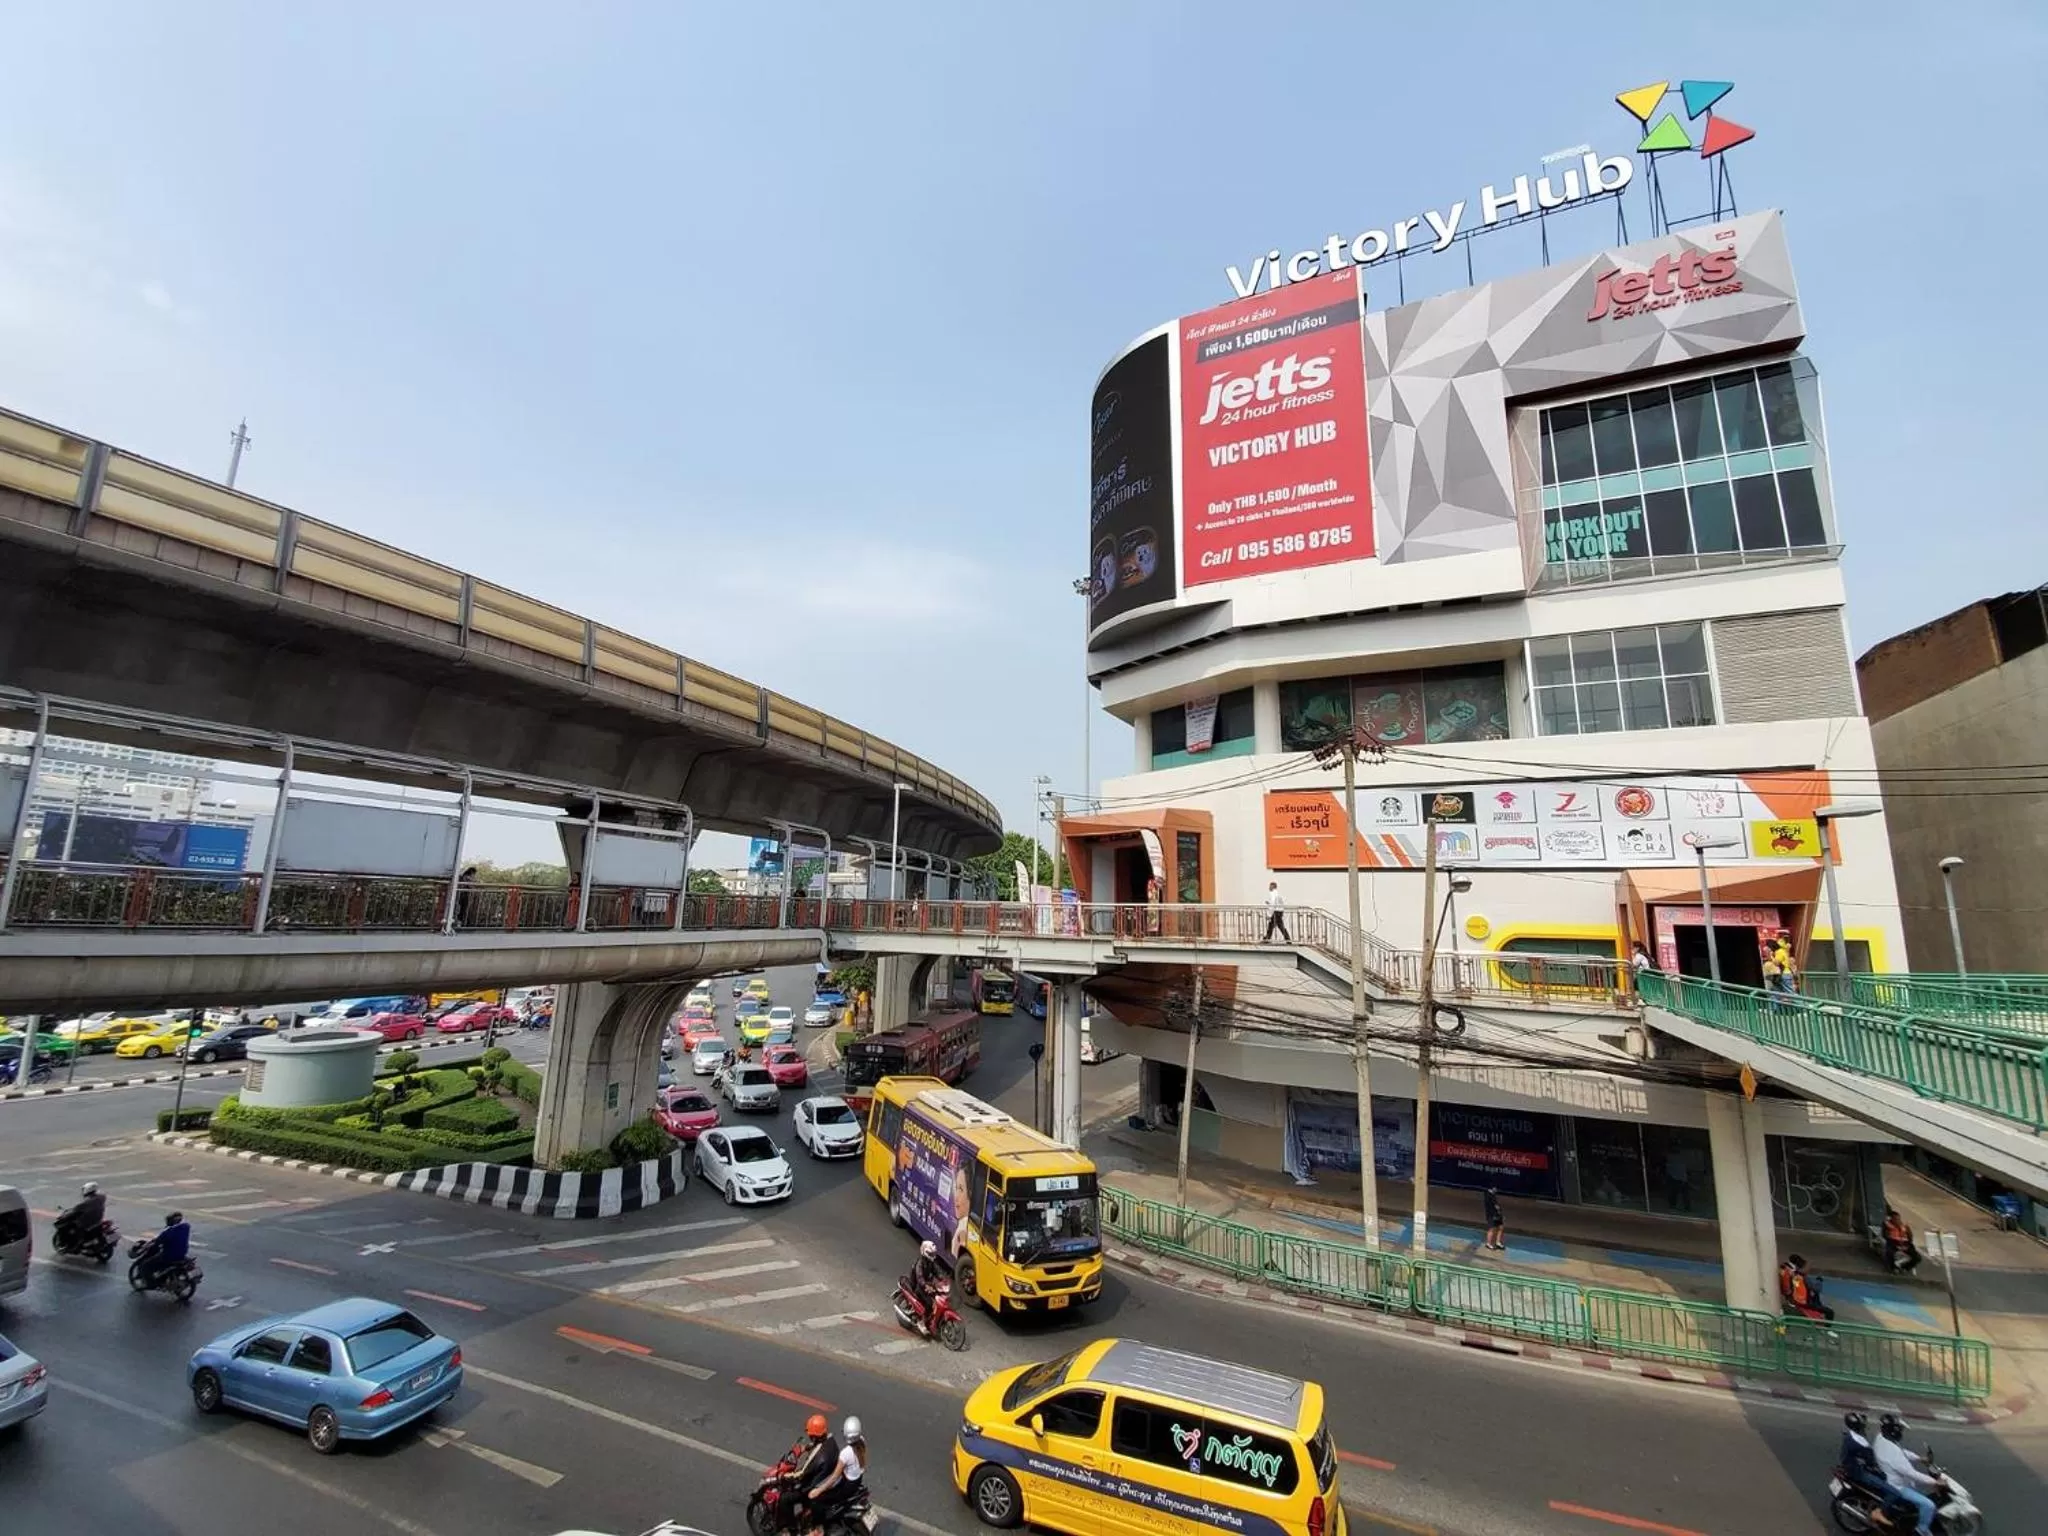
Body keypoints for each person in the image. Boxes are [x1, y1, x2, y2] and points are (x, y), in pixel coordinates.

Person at [1873, 1413, 1941, 1535]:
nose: (1901, 1432)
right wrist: (1935, 1482)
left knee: (1918, 1493)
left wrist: (1919, 1458)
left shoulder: (1882, 1438)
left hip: (1890, 1478)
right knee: (1929, 1505)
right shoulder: (1892, 1452)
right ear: (1894, 1430)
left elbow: (1902, 1452)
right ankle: (1921, 1530)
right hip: (1897, 1486)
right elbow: (1911, 1473)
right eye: (1900, 1429)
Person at [806, 1415, 868, 1534]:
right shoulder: (861, 1441)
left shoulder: (845, 1453)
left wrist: (818, 1491)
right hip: (857, 1481)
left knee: (816, 1501)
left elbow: (834, 1477)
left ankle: (818, 1529)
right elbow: (864, 1461)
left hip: (847, 1487)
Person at [1837, 1413, 1896, 1522]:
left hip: (1847, 1466)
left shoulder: (1849, 1435)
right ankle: (1879, 1512)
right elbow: (1871, 1462)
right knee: (1894, 1492)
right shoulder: (1861, 1443)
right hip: (1859, 1473)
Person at [134, 1210, 192, 1288]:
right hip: (182, 1253)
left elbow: (158, 1241)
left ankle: (151, 1284)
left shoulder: (169, 1232)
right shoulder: (185, 1227)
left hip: (169, 1255)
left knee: (146, 1265)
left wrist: (151, 1244)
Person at [1779, 1253, 1834, 1323]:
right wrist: (1819, 1281)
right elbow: (1816, 1288)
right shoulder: (1800, 1277)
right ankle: (1826, 1327)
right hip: (1800, 1301)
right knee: (1830, 1312)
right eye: (1806, 1267)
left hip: (1794, 1299)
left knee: (1814, 1294)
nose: (1808, 1269)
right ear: (1800, 1267)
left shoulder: (1785, 1270)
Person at [906, 1238, 948, 1327]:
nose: (933, 1256)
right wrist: (926, 1286)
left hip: (927, 1284)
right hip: (918, 1286)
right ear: (925, 1252)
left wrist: (943, 1279)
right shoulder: (920, 1264)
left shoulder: (930, 1262)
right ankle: (922, 1322)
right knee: (929, 1303)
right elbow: (920, 1278)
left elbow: (937, 1271)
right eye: (931, 1254)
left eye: (933, 1253)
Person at [1882, 1207, 1923, 1276]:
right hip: (1893, 1243)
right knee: (1889, 1253)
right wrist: (1896, 1245)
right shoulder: (1887, 1225)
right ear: (1891, 1219)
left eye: (1898, 1219)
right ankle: (1893, 1268)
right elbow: (1885, 1236)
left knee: (1917, 1257)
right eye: (1895, 1219)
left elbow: (1910, 1237)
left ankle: (1906, 1268)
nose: (1897, 1220)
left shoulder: (1905, 1226)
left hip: (1905, 1244)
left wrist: (1906, 1245)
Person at [1482, 1186, 1506, 1252]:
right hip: (1492, 1215)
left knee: (1501, 1227)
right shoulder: (1488, 1196)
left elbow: (1497, 1206)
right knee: (1492, 1229)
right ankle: (1488, 1243)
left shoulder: (1493, 1195)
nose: (1496, 1190)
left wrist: (1500, 1214)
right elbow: (1494, 1207)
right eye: (1495, 1188)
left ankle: (1498, 1242)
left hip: (1497, 1215)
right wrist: (1495, 1214)